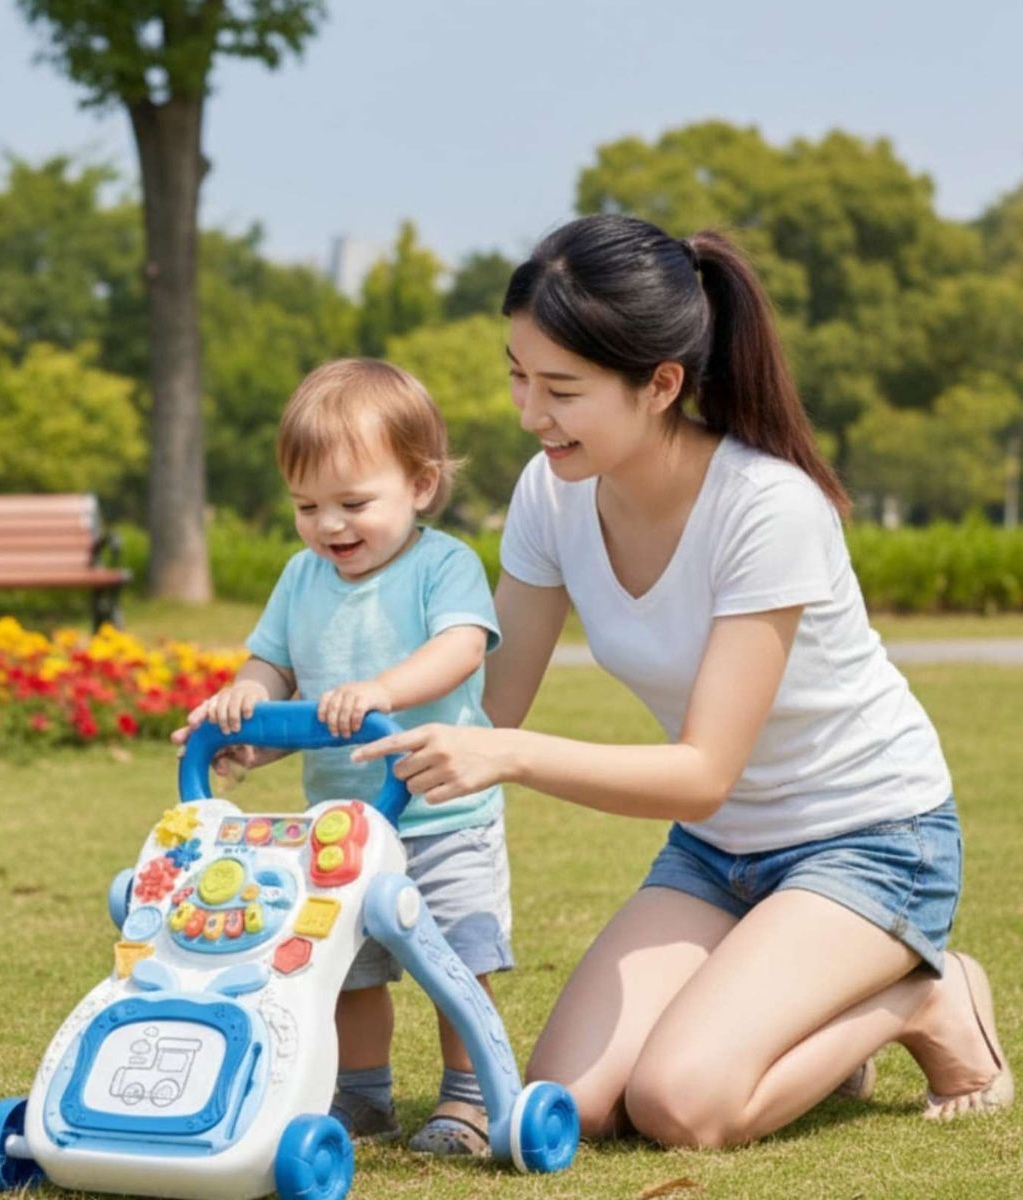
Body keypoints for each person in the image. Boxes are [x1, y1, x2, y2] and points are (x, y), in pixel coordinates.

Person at [351, 214, 1014, 1147]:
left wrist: (510, 757)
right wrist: (328, 716)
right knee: (568, 1107)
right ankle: (795, 1007)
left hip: (871, 840)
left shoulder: (767, 506)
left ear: (662, 384)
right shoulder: (551, 492)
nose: (529, 413)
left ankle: (921, 997)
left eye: (562, 389)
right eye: (517, 374)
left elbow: (700, 767)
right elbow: (487, 702)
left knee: (681, 1103)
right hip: (715, 854)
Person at [173, 358, 512, 1156]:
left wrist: (382, 689)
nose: (330, 526)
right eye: (307, 507)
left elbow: (461, 648)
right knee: (345, 967)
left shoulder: (443, 564)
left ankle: (469, 1097)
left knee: (454, 960)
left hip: (441, 812)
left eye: (354, 503)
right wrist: (241, 707)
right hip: (342, 828)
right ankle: (363, 1095)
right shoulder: (302, 578)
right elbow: (272, 666)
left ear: (421, 485)